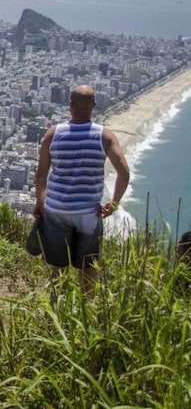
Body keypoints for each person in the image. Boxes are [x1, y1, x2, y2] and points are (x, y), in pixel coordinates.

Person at [33, 85, 130, 291]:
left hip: (57, 210)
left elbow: (41, 175)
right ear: (93, 107)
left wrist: (40, 202)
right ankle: (85, 309)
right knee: (88, 267)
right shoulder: (105, 136)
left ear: (70, 106)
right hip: (89, 214)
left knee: (57, 267)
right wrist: (113, 204)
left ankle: (55, 308)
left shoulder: (53, 134)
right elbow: (124, 173)